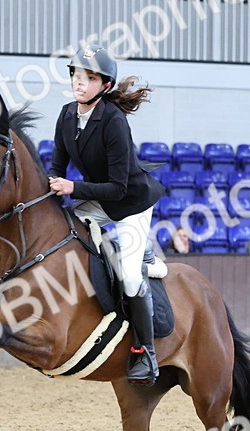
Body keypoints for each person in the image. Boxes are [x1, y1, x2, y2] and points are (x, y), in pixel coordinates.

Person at [48, 43, 164, 385]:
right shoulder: (67, 114)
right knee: (65, 227)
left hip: (131, 204)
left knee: (129, 277)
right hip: (98, 200)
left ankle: (147, 352)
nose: (79, 82)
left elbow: (118, 189)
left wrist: (72, 188)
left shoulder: (114, 122)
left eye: (89, 77)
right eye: (77, 75)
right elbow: (57, 168)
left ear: (105, 85)